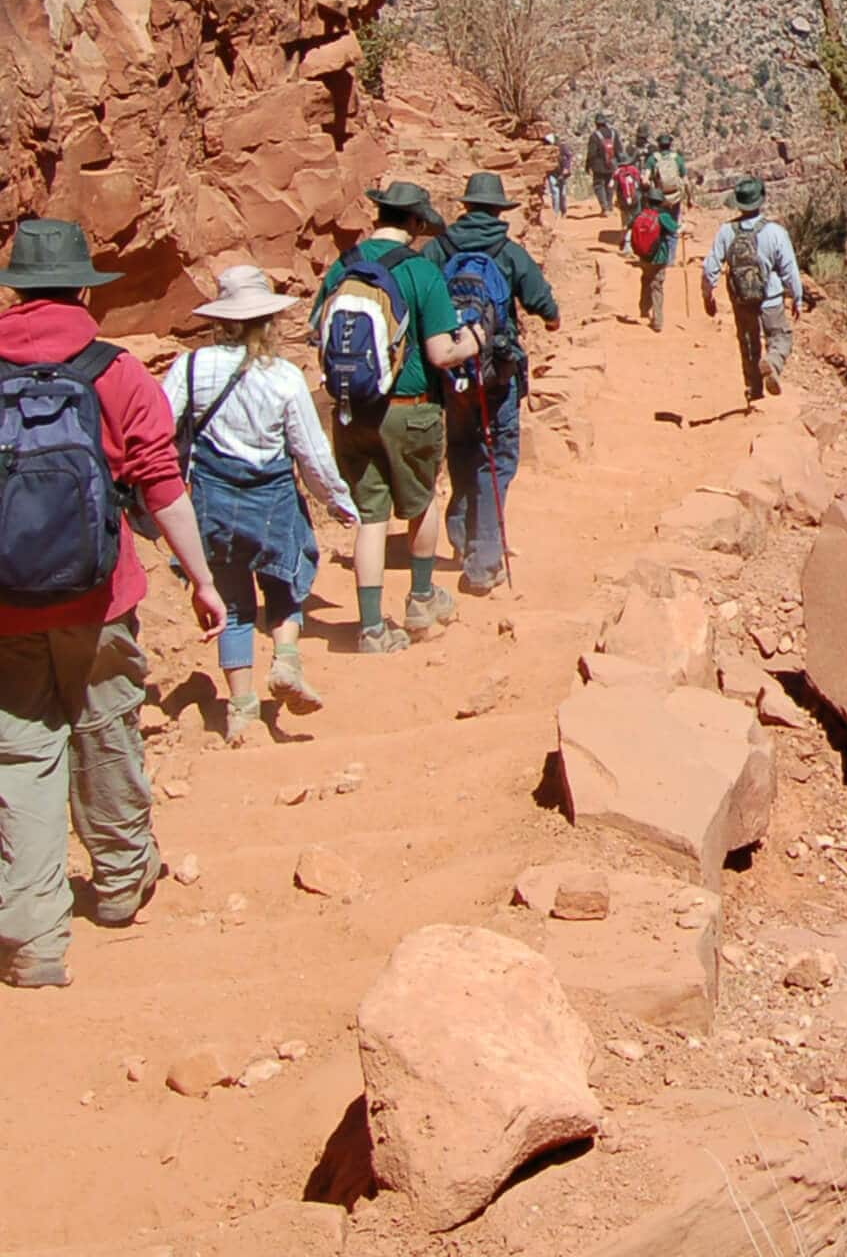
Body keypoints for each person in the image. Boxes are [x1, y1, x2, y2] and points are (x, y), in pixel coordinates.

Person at [0, 219, 226, 989]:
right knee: (105, 729)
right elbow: (161, 484)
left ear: (16, 289)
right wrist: (200, 579)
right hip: (101, 596)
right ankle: (123, 883)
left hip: (6, 608)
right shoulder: (116, 372)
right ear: (82, 288)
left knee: (22, 758)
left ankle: (33, 939)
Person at [162, 265, 360, 745]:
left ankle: (241, 709)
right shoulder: (285, 378)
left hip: (212, 498)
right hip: (271, 495)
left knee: (230, 603)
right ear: (267, 321)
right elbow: (309, 450)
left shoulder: (190, 367)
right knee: (286, 581)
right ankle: (287, 661)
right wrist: (336, 498)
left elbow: (159, 426)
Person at [307, 183, 488, 651]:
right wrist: (475, 340)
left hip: (352, 411)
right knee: (421, 501)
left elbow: (317, 332)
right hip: (410, 410)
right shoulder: (420, 272)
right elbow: (440, 351)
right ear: (415, 223)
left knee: (371, 518)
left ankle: (370, 627)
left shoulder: (344, 266)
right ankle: (421, 599)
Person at [422, 172, 561, 594]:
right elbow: (543, 304)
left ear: (465, 207)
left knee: (462, 449)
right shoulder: (508, 252)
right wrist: (552, 319)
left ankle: (462, 535)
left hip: (450, 371)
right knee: (497, 457)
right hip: (497, 372)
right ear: (500, 211)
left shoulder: (438, 249)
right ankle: (483, 561)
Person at [703, 179, 804, 404]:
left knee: (748, 345)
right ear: (761, 201)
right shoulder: (775, 232)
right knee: (780, 337)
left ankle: (754, 392)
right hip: (770, 299)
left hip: (741, 301)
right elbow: (790, 269)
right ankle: (774, 362)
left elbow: (711, 267)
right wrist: (797, 298)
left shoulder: (726, 232)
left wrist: (708, 294)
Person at [632, 183, 678, 332]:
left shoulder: (641, 215)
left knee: (646, 280)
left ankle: (644, 310)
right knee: (657, 286)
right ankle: (658, 321)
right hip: (659, 257)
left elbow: (630, 227)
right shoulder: (663, 216)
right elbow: (675, 230)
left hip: (643, 256)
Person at [584, 116, 618, 218]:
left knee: (599, 186)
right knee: (610, 186)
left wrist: (588, 165)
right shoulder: (613, 133)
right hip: (612, 164)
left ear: (596, 123)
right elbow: (619, 149)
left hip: (599, 165)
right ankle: (610, 206)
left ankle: (605, 208)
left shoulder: (595, 136)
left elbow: (591, 153)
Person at [543, 131, 573, 217]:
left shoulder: (562, 147)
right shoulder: (545, 150)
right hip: (552, 173)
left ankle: (563, 211)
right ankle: (555, 213)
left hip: (562, 173)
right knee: (555, 193)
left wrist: (567, 168)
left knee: (562, 193)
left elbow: (569, 156)